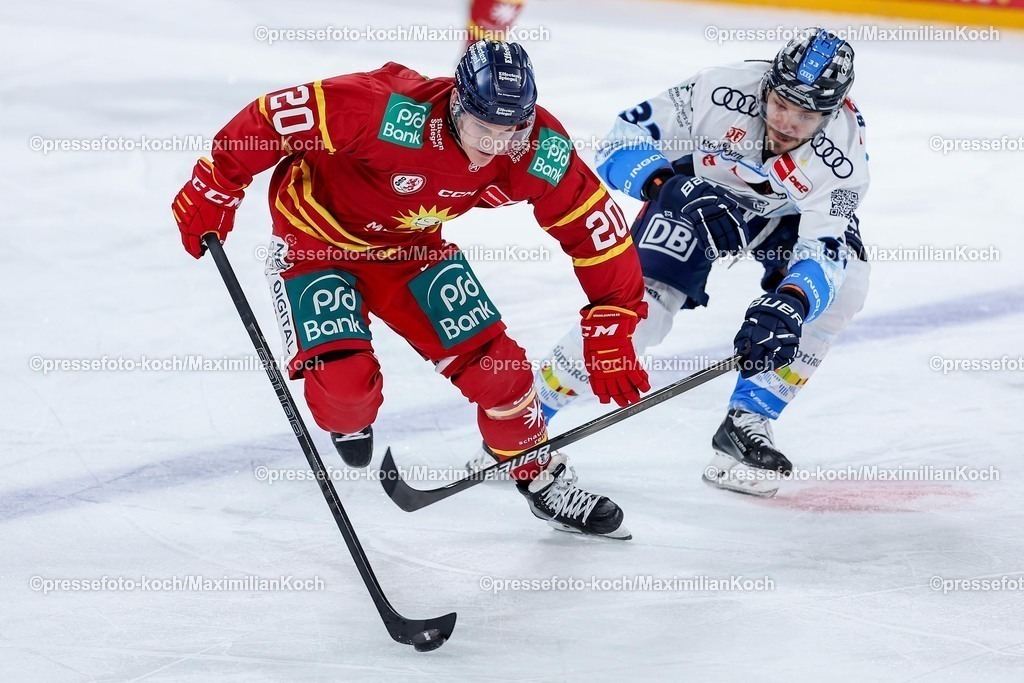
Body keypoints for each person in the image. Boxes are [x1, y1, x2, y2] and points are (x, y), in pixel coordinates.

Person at [170, 40, 649, 538]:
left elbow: (594, 225)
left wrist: (614, 315)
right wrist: (217, 181)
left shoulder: (536, 145)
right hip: (316, 243)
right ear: (456, 106)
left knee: (500, 373)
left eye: (509, 132)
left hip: (412, 250)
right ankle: (348, 416)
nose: (493, 145)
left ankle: (540, 476)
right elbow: (275, 115)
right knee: (345, 393)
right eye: (481, 129)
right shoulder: (383, 107)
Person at [529, 28, 870, 497]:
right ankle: (528, 420)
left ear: (831, 113)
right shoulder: (718, 88)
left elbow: (825, 251)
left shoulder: (843, 159)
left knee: (846, 286)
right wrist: (668, 187)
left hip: (782, 219)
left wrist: (792, 301)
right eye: (780, 103)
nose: (787, 122)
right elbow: (618, 140)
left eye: (806, 114)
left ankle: (747, 421)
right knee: (640, 310)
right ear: (767, 83)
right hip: (696, 195)